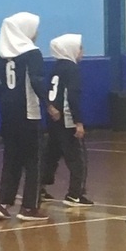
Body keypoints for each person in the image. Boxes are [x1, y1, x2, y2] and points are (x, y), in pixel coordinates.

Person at [0, 12, 59, 221]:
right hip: (28, 113)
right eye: (34, 29)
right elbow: (36, 81)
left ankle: (2, 204)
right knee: (34, 160)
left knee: (11, 159)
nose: (36, 33)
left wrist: (5, 98)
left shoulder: (3, 55)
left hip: (8, 114)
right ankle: (29, 207)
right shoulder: (32, 53)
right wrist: (49, 104)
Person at [39, 34, 93, 207]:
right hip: (66, 120)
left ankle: (38, 189)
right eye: (80, 47)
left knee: (50, 156)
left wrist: (50, 108)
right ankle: (75, 194)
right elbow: (72, 97)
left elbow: (47, 91)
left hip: (53, 120)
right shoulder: (72, 69)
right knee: (78, 158)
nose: (82, 51)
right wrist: (78, 122)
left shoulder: (55, 68)